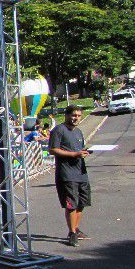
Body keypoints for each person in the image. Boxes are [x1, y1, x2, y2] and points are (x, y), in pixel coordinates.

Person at [48, 105, 91, 247]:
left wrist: (84, 152)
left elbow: (79, 149)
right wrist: (74, 154)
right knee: (71, 204)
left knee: (82, 203)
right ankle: (72, 233)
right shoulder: (59, 130)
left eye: (79, 116)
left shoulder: (78, 132)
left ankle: (76, 229)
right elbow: (53, 150)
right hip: (67, 174)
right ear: (66, 115)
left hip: (81, 173)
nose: (76, 118)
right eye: (73, 115)